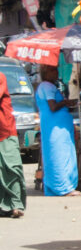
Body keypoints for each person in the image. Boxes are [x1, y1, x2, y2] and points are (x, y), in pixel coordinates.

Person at [35, 64, 81, 196]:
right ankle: (64, 187)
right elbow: (53, 107)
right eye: (53, 70)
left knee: (54, 155)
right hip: (56, 128)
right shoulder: (47, 86)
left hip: (53, 127)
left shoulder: (43, 86)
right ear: (46, 72)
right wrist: (66, 102)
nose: (56, 73)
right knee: (60, 155)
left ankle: (56, 187)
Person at [0, 71, 26, 217]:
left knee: (12, 167)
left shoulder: (1, 76)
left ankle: (16, 204)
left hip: (5, 130)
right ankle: (3, 206)